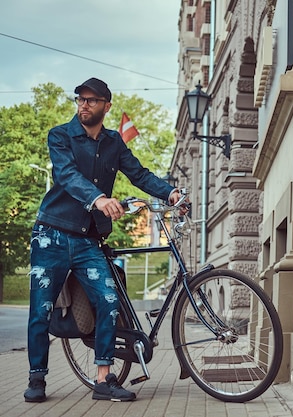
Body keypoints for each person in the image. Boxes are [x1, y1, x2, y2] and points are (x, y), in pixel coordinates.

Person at [24, 77, 185, 403]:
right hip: (51, 235)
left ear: (106, 106)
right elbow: (67, 175)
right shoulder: (60, 136)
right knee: (40, 310)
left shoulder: (114, 143)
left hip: (87, 241)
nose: (84, 104)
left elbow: (138, 174)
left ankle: (103, 378)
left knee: (108, 300)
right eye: (80, 99)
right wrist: (98, 199)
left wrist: (170, 192)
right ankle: (36, 378)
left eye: (92, 100)